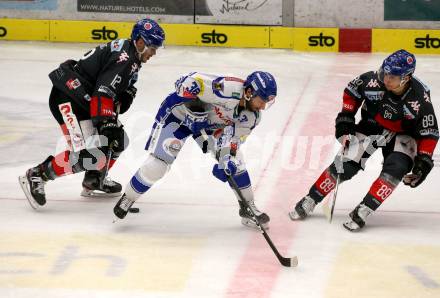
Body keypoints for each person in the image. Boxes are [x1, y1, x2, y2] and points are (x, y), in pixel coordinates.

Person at [19, 18, 165, 209]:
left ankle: (95, 180)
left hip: (83, 99)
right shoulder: (126, 59)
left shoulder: (129, 55)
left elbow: (110, 91)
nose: (153, 52)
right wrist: (106, 123)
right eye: (152, 47)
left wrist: (124, 95)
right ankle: (38, 174)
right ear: (140, 41)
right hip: (68, 98)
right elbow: (103, 91)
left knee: (118, 140)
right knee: (88, 155)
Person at [289, 49, 438, 231]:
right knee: (345, 164)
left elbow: (429, 132)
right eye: (385, 72)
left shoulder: (420, 100)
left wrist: (423, 161)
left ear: (406, 78)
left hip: (403, 134)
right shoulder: (372, 80)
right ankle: (311, 198)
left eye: (392, 76)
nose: (386, 79)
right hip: (371, 124)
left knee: (397, 168)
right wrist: (346, 119)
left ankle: (365, 208)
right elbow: (352, 92)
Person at [112, 71, 277, 229]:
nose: (262, 107)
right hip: (177, 117)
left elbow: (232, 139)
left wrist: (226, 160)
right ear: (249, 92)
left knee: (236, 163)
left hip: (208, 126)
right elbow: (186, 80)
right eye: (261, 100)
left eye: (266, 103)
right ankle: (129, 197)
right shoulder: (226, 88)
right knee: (158, 165)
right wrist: (195, 107)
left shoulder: (252, 117)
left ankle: (248, 207)